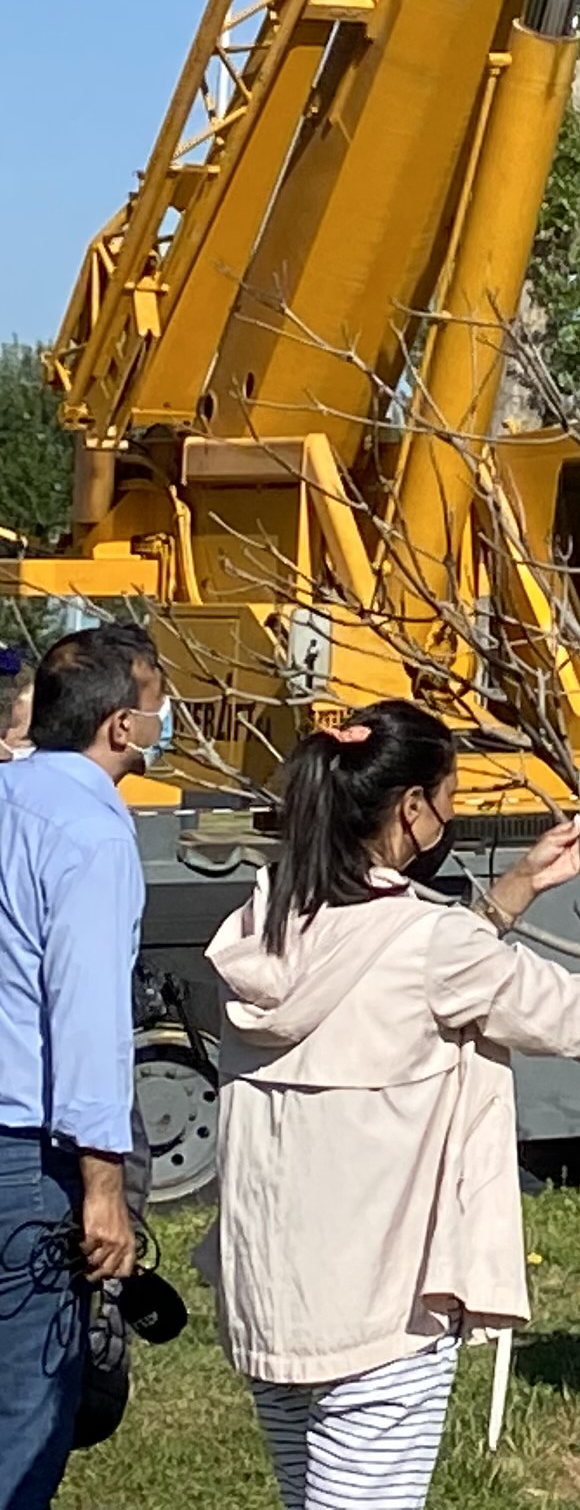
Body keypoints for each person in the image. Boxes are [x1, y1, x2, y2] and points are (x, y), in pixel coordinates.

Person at [208, 705, 580, 1510]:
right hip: (382, 1311)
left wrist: (513, 892)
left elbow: (396, 972)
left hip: (271, 1304)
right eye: (449, 799)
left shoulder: (261, 925)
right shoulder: (433, 946)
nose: (451, 817)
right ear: (412, 808)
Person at [0, 626, 160, 1510]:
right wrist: (104, 1187)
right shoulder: (91, 835)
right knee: (25, 1414)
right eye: (158, 708)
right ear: (121, 727)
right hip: (28, 1155)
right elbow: (88, 1014)